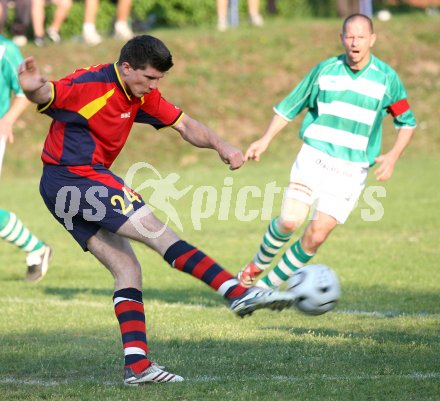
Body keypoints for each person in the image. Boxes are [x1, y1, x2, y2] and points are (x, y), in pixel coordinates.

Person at [18, 34, 295, 384]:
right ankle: (236, 292)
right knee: (159, 234)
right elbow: (48, 93)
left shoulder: (139, 92)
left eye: (158, 80)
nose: (153, 86)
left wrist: (220, 145)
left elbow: (184, 124)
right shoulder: (92, 86)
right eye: (149, 78)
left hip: (58, 186)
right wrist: (31, 88)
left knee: (126, 268)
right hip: (77, 178)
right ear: (127, 67)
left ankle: (137, 367)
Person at [237, 14, 416, 289]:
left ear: (372, 40)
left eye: (361, 37)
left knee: (317, 235)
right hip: (315, 156)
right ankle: (255, 266)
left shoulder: (386, 79)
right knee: (290, 220)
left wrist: (392, 157)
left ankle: (263, 289)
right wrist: (265, 139)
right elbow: (289, 107)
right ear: (341, 38)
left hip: (352, 169)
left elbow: (407, 123)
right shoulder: (325, 70)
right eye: (349, 36)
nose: (355, 43)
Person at [0, 34, 52, 281]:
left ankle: (36, 248)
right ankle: (35, 248)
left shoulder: (5, 49)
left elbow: (23, 90)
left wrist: (8, 120)